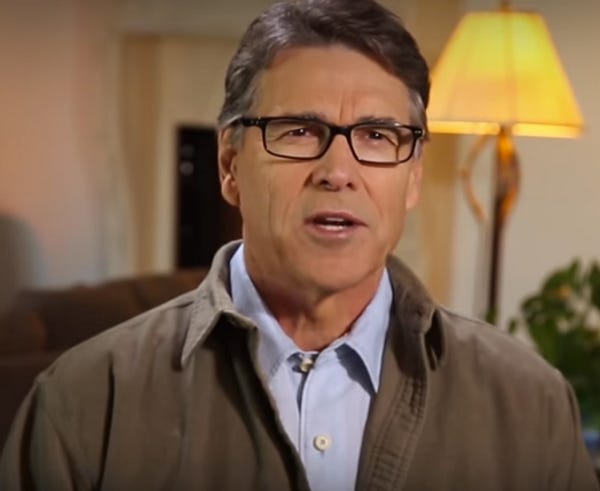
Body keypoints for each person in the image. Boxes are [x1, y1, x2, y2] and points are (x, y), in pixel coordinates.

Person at [1, 0, 598, 489]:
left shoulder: (529, 406)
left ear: (413, 175)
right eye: (299, 131)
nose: (338, 171)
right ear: (230, 165)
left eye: (377, 135)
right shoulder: (87, 403)